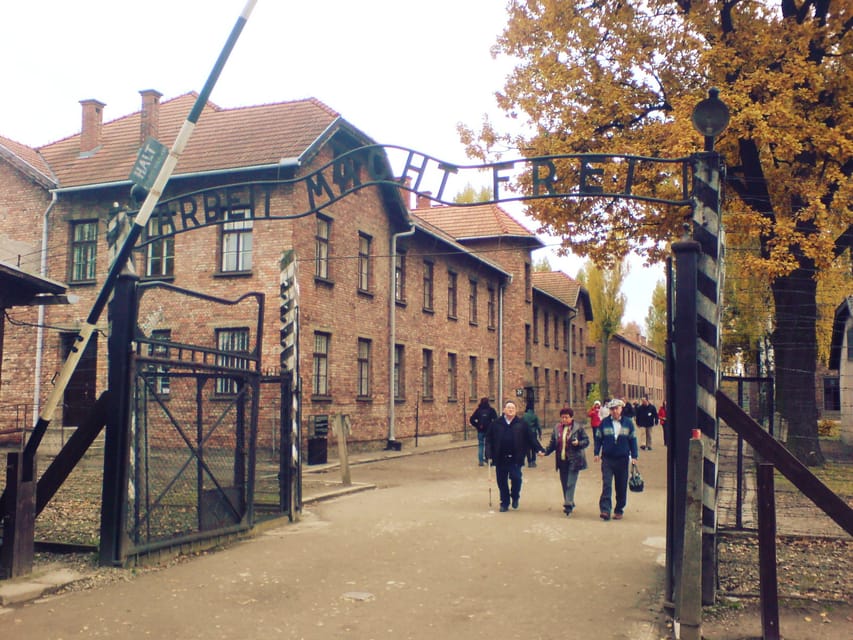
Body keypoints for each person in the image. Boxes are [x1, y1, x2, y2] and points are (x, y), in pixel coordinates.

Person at [485, 400, 545, 512]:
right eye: (508, 407)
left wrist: (539, 449)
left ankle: (515, 496)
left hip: (516, 457)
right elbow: (489, 439)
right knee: (502, 481)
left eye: (513, 408)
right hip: (500, 457)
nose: (511, 409)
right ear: (504, 410)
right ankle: (504, 502)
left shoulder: (521, 424)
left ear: (516, 410)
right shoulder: (496, 424)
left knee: (516, 478)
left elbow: (531, 438)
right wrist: (488, 452)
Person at [593, 398, 639, 521]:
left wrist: (634, 456)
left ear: (621, 409)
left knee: (621, 485)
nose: (614, 411)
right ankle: (605, 510)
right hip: (607, 459)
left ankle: (619, 509)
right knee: (607, 484)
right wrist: (596, 452)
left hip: (622, 459)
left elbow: (632, 440)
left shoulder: (628, 423)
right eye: (612, 409)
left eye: (616, 408)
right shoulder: (604, 423)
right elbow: (598, 438)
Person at [543, 407, 589, 516]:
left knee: (570, 483)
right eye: (562, 417)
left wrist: (578, 443)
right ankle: (569, 502)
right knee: (564, 483)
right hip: (561, 459)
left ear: (571, 418)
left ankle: (567, 504)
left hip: (574, 459)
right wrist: (545, 452)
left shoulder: (578, 428)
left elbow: (586, 441)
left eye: (566, 417)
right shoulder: (557, 428)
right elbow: (553, 443)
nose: (564, 419)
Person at [469, 397, 498, 467]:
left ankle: (481, 461)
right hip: (489, 431)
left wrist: (477, 425)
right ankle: (488, 459)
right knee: (488, 445)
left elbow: (471, 419)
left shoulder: (478, 410)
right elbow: (496, 420)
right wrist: (492, 426)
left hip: (480, 430)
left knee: (480, 445)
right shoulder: (491, 410)